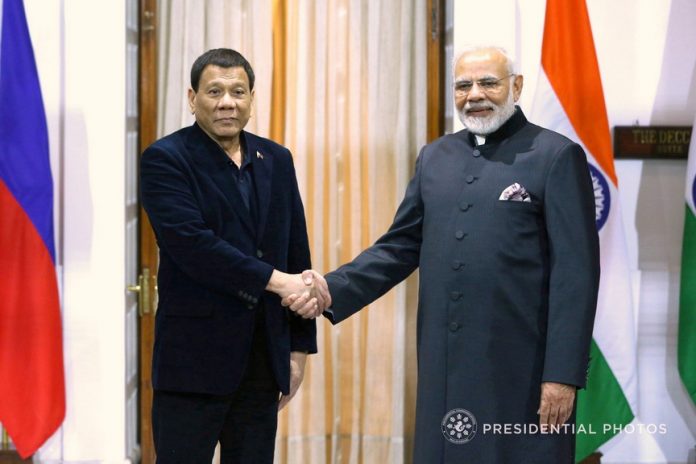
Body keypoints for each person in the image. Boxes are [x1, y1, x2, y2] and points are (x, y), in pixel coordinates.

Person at [286, 45, 600, 463]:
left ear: (516, 86)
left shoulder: (556, 156)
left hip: (522, 371)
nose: (475, 94)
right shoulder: (435, 157)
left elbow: (576, 275)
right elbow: (400, 246)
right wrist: (330, 288)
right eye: (463, 85)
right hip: (443, 366)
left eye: (488, 82)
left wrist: (562, 375)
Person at [140, 48, 329, 464]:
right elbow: (195, 247)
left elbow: (296, 249)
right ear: (192, 98)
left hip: (263, 361)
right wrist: (279, 281)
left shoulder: (276, 159)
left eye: (238, 92)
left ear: (251, 98)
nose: (228, 102)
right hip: (192, 365)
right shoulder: (165, 159)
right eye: (215, 91)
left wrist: (298, 350)